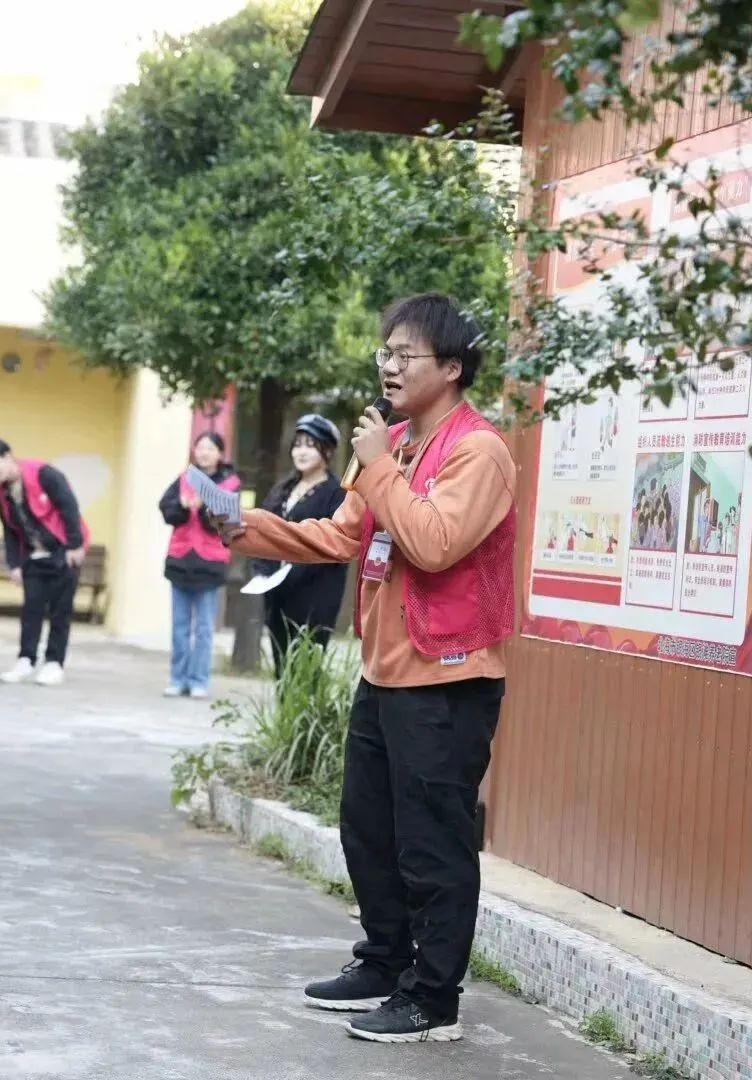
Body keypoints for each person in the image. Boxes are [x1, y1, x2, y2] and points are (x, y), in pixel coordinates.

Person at [213, 293, 517, 1044]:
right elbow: (341, 534)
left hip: (448, 677)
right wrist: (247, 526)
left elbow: (434, 543)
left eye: (404, 355)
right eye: (386, 353)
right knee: (368, 828)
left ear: (452, 368)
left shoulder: (478, 452)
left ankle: (433, 999)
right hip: (385, 672)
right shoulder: (396, 445)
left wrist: (380, 466)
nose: (388, 366)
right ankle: (384, 961)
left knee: (432, 842)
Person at [0, 439, 86, 686]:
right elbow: (9, 530)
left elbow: (69, 507)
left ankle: (54, 663)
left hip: (63, 549)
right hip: (33, 554)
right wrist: (14, 564)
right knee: (31, 610)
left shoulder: (45, 474)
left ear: (8, 456)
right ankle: (25, 660)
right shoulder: (2, 493)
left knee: (60, 610)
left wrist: (74, 545)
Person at [253, 415, 348, 680]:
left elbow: (335, 543)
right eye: (297, 445)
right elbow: (265, 531)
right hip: (278, 594)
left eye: (310, 445)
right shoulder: (284, 488)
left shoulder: (337, 492)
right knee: (281, 670)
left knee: (305, 672)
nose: (301, 452)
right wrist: (261, 570)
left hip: (314, 596)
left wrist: (291, 571)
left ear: (327, 450)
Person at [159, 433, 241, 698]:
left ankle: (199, 680)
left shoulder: (230, 482)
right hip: (181, 561)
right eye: (200, 447)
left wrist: (206, 507)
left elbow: (229, 522)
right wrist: (182, 507)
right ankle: (177, 678)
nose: (204, 452)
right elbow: (166, 509)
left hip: (210, 563)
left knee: (204, 628)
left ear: (220, 453)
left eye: (210, 448)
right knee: (179, 626)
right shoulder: (184, 478)